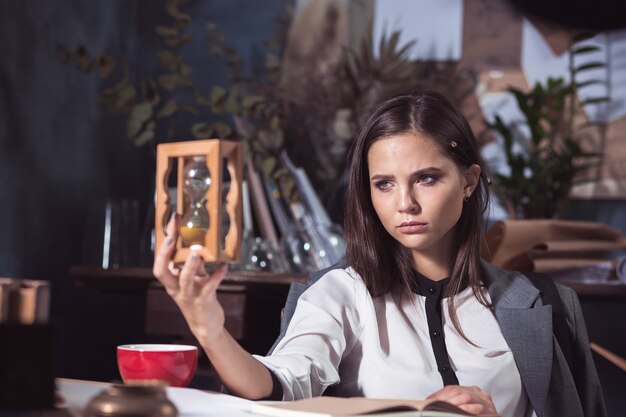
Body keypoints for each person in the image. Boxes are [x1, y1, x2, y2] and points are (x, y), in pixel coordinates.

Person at [153, 91, 605, 417]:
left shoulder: (543, 303)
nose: (404, 203)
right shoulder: (340, 293)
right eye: (383, 183)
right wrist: (208, 329)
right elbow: (275, 387)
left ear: (469, 181)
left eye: (426, 178)